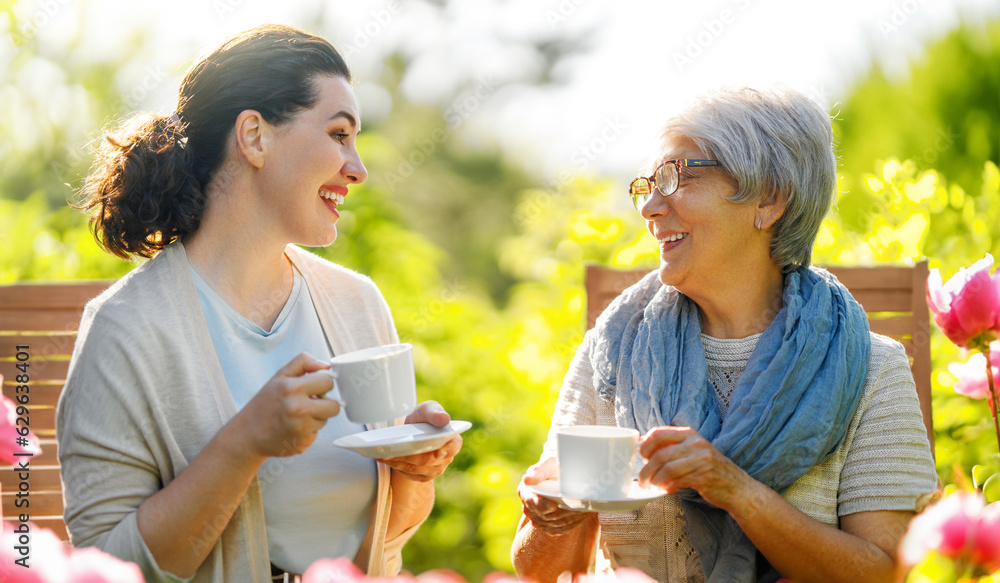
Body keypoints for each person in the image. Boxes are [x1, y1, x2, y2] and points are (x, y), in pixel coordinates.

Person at [57, 24, 462, 583]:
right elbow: (104, 566)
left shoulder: (354, 303)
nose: (358, 168)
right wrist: (245, 444)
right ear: (254, 136)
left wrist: (415, 473)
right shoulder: (126, 329)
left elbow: (386, 544)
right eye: (338, 133)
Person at [511, 86, 938, 583]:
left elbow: (886, 574)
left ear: (769, 198)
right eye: (648, 184)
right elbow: (538, 570)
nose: (649, 207)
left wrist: (738, 491)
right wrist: (554, 519)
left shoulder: (867, 367)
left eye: (675, 178)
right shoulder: (613, 352)